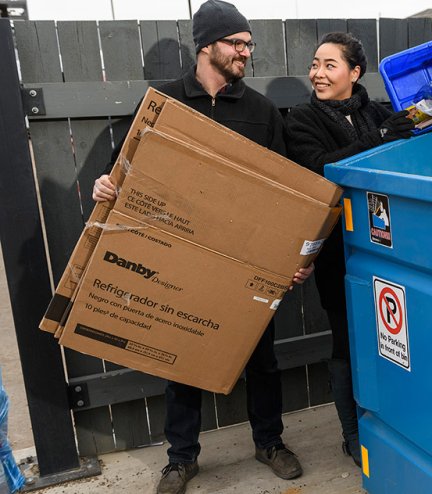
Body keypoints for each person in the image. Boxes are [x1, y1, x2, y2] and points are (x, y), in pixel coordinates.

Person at [92, 1, 306, 492]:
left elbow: (289, 199)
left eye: (249, 44)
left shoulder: (261, 113)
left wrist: (293, 258)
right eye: (236, 43)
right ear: (206, 44)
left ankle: (269, 441)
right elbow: (120, 173)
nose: (245, 53)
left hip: (246, 264)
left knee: (262, 358)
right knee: (180, 359)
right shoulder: (163, 103)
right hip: (179, 264)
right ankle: (181, 458)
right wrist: (105, 185)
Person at [284, 32, 414, 467]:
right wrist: (380, 138)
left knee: (392, 343)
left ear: (354, 73)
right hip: (340, 252)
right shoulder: (301, 119)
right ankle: (353, 433)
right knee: (346, 342)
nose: (318, 74)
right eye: (315, 64)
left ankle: (394, 422)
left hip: (391, 249)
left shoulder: (378, 111)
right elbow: (322, 170)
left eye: (329, 65)